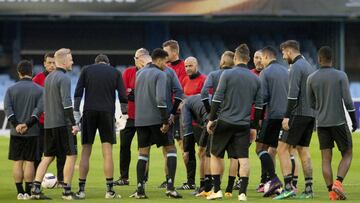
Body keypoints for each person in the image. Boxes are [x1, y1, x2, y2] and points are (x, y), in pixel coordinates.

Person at [206, 44, 263, 201]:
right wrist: (254, 127)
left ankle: (217, 190)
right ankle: (243, 193)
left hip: (225, 121)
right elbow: (259, 106)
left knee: (215, 155)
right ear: (248, 59)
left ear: (236, 58)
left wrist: (211, 119)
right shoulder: (256, 79)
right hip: (244, 124)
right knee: (243, 158)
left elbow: (217, 99)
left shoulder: (227, 75)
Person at [73, 54, 127, 199]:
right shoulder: (115, 72)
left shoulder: (86, 70)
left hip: (89, 112)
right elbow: (122, 95)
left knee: (86, 150)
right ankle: (109, 191)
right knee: (107, 152)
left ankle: (81, 190)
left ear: (95, 62)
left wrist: (76, 112)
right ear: (107, 63)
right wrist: (125, 114)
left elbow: (78, 93)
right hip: (107, 113)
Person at [307, 46, 357, 201]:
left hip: (321, 124)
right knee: (347, 153)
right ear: (331, 59)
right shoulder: (341, 76)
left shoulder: (312, 78)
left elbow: (311, 103)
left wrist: (321, 107)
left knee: (325, 159)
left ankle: (331, 193)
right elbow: (348, 101)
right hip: (339, 122)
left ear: (319, 59)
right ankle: (338, 182)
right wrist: (354, 120)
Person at [31, 48, 79, 200]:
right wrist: (73, 123)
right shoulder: (64, 78)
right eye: (70, 59)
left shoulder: (49, 78)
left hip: (49, 124)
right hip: (62, 124)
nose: (72, 62)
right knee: (71, 155)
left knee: (47, 157)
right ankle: (66, 191)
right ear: (64, 61)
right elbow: (66, 103)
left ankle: (36, 189)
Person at [133, 48, 182, 199]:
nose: (167, 65)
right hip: (157, 119)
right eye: (166, 62)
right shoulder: (161, 74)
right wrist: (165, 121)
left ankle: (140, 189)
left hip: (141, 120)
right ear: (159, 60)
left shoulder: (139, 73)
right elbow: (161, 100)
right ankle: (170, 187)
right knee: (170, 149)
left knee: (143, 153)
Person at [275, 40, 316, 200]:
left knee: (282, 148)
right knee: (303, 150)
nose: (284, 57)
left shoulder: (296, 68)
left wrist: (286, 116)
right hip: (310, 114)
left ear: (289, 51)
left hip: (297, 114)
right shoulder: (309, 66)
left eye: (284, 53)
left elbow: (292, 95)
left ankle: (288, 187)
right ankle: (308, 188)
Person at [5, 60, 43, 200]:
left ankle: (19, 192)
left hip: (16, 132)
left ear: (19, 72)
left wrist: (17, 125)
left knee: (17, 162)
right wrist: (27, 125)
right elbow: (38, 111)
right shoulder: (39, 90)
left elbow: (8, 110)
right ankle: (28, 192)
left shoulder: (10, 89)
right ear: (31, 72)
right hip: (32, 131)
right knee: (30, 162)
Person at [200, 51, 237, 197]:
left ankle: (213, 187)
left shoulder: (214, 75)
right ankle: (229, 189)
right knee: (234, 156)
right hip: (235, 117)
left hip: (217, 120)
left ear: (222, 61)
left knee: (214, 154)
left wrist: (210, 112)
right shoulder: (238, 76)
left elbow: (204, 93)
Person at [114, 48, 152, 186]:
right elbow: (123, 94)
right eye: (137, 58)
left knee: (144, 148)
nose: (138, 60)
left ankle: (143, 178)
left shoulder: (150, 73)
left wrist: (136, 94)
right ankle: (124, 177)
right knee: (124, 146)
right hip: (129, 117)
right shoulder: (128, 72)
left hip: (145, 117)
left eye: (141, 58)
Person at [256, 46, 289, 197]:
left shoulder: (265, 72)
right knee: (277, 150)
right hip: (286, 117)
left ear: (267, 57)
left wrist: (257, 120)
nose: (260, 62)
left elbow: (262, 98)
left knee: (260, 149)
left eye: (261, 58)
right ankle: (282, 184)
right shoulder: (286, 71)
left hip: (273, 116)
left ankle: (274, 179)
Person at [32, 53, 66, 188]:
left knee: (61, 153)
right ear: (44, 64)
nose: (52, 65)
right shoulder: (37, 79)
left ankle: (61, 181)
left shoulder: (60, 78)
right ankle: (36, 181)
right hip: (41, 123)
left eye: (54, 63)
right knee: (39, 153)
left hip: (57, 122)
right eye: (49, 63)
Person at [177, 56, 207, 190]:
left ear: (197, 65)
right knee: (187, 152)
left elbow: (206, 102)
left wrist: (187, 102)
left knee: (202, 152)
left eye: (190, 66)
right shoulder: (184, 80)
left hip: (200, 124)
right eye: (186, 66)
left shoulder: (204, 80)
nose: (188, 68)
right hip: (187, 123)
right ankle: (190, 182)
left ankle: (204, 182)